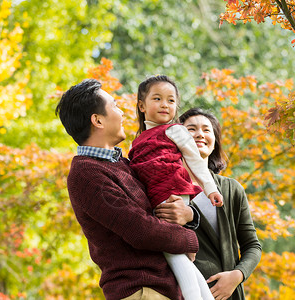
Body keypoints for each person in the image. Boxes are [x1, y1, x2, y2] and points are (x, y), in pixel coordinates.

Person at [55, 79, 200, 300]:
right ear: (97, 120)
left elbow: (158, 206)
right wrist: (190, 240)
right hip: (140, 291)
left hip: (164, 289)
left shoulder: (123, 163)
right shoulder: (86, 174)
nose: (122, 113)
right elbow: (140, 230)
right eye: (115, 106)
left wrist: (189, 214)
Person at [128, 75, 222, 300]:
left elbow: (196, 161)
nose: (164, 105)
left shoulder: (176, 130)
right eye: (157, 98)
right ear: (142, 105)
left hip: (173, 193)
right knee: (176, 254)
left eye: (171, 101)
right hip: (156, 197)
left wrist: (210, 189)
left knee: (174, 255)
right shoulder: (138, 140)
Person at [157, 108, 262, 300]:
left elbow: (252, 245)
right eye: (191, 129)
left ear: (215, 143)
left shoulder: (231, 189)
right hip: (183, 293)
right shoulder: (164, 187)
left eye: (207, 130)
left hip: (230, 295)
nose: (200, 134)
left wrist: (236, 276)